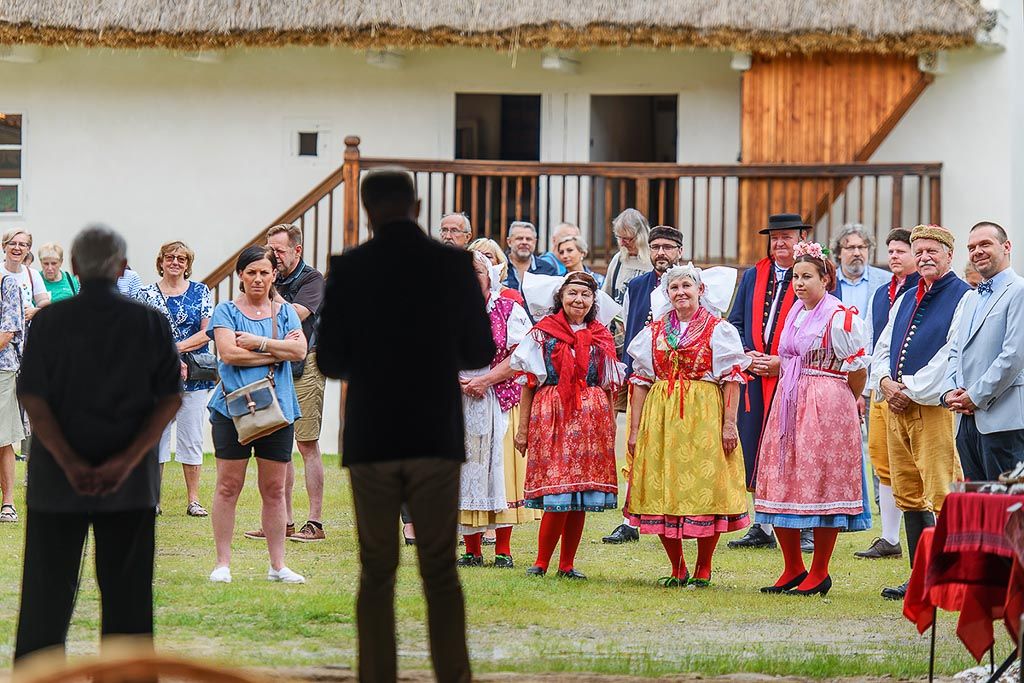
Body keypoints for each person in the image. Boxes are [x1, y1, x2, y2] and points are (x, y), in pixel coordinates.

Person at [317, 168, 492, 683]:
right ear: (415, 208)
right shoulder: (453, 266)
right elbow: (480, 350)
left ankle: (377, 677)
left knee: (376, 573)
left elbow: (328, 360)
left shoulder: (349, 269)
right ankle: (453, 677)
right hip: (434, 432)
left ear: (368, 211)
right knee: (440, 570)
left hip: (372, 432)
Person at [13, 225, 181, 662]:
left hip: (55, 482)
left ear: (72, 268)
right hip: (130, 485)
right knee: (129, 605)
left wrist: (68, 461)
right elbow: (168, 400)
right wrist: (125, 463)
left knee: (44, 601)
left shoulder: (50, 322)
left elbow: (32, 396)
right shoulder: (150, 322)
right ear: (123, 267)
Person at [755, 241, 871, 596]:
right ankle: (792, 566)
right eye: (795, 277)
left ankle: (819, 570)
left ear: (826, 279)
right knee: (782, 477)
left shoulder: (839, 317)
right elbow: (791, 358)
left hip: (826, 403)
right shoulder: (796, 313)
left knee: (821, 482)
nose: (799, 283)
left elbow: (857, 368)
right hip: (789, 401)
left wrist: (842, 401)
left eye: (807, 276)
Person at [624, 264, 750, 586]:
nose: (681, 292)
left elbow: (731, 379)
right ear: (667, 294)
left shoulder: (718, 328)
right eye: (674, 288)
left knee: (705, 487)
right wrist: (635, 429)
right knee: (663, 487)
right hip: (662, 415)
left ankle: (704, 567)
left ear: (700, 291)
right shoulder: (653, 331)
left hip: (703, 414)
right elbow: (640, 381)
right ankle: (677, 566)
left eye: (686, 286)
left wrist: (729, 425)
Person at [871, 224, 970, 601]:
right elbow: (882, 344)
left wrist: (908, 388)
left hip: (933, 409)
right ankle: (920, 577)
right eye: (920, 251)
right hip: (896, 406)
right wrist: (884, 382)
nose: (925, 256)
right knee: (909, 495)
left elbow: (952, 354)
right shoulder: (906, 297)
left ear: (948, 255)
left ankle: (952, 579)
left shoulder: (964, 297)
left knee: (942, 493)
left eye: (933, 250)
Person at [511, 271, 624, 579]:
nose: (579, 300)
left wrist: (609, 425)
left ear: (593, 300)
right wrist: (523, 428)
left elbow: (609, 384)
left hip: (591, 419)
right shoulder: (543, 333)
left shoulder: (601, 335)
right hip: (553, 414)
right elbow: (529, 382)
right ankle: (541, 561)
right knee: (557, 491)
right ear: (561, 297)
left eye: (586, 295)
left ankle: (567, 564)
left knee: (580, 496)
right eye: (573, 293)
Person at [207, 245, 308, 585]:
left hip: (278, 410)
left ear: (274, 275)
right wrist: (276, 354)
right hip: (232, 409)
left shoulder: (285, 313)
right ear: (240, 276)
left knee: (274, 489)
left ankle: (278, 566)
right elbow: (229, 354)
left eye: (264, 272)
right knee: (228, 485)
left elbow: (300, 351)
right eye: (251, 272)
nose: (258, 278)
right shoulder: (225, 311)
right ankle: (223, 563)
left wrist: (257, 343)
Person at [727, 213, 809, 551]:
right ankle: (762, 525)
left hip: (794, 378)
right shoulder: (754, 274)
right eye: (775, 237)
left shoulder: (811, 275)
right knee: (757, 447)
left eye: (787, 237)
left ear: (802, 238)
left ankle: (802, 525)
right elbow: (735, 321)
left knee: (794, 449)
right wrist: (748, 354)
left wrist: (783, 363)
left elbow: (816, 326)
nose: (780, 243)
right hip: (754, 375)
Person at [602, 224, 683, 545]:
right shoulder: (636, 285)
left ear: (680, 250)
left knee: (676, 448)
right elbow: (630, 327)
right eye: (656, 246)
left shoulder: (691, 284)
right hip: (641, 377)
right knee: (635, 446)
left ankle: (676, 514)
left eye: (668, 247)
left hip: (678, 382)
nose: (661, 252)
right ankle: (629, 519)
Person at [455, 251, 533, 568]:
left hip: (499, 398)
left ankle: (503, 550)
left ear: (490, 277)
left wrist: (485, 380)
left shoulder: (508, 309)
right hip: (458, 399)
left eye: (475, 272)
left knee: (500, 474)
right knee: (465, 471)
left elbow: (520, 355)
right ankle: (471, 550)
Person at [135, 241, 214, 518]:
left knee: (191, 436)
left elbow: (208, 332)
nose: (175, 262)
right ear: (161, 261)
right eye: (170, 257)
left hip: (193, 374)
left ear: (188, 263)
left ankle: (193, 500)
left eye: (181, 258)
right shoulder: (145, 293)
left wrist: (176, 350)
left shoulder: (201, 291)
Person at [855, 228, 919, 560]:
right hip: (881, 388)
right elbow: (869, 340)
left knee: (914, 465)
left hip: (913, 392)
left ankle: (921, 536)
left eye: (900, 251)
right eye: (891, 251)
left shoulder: (923, 290)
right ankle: (890, 537)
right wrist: (867, 389)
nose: (894, 256)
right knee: (882, 461)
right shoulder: (881, 293)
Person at [944, 222, 1024, 481]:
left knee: (1010, 511)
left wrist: (975, 396)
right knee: (978, 511)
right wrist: (950, 391)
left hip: (1004, 420)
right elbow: (955, 350)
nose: (977, 251)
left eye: (985, 244)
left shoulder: (1019, 291)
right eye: (971, 247)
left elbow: (1013, 356)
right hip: (965, 424)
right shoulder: (971, 298)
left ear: (1007, 246)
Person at [264, 223, 327, 543]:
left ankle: (314, 523)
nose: (272, 257)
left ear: (296, 250)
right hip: (274, 366)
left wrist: (266, 291)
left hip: (307, 366)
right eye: (270, 250)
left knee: (306, 445)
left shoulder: (312, 279)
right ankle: (282, 521)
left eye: (279, 251)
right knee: (278, 448)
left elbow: (295, 314)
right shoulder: (270, 276)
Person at [0, 271, 24, 522]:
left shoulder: (8, 283)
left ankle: (8, 503)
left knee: (2, 435)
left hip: (2, 368)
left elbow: (8, 331)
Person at [833, 224, 890, 324]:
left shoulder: (886, 280)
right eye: (850, 247)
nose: (857, 253)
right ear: (838, 253)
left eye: (861, 247)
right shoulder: (827, 282)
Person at [601, 209, 652, 303]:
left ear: (641, 236)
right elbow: (605, 296)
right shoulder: (618, 259)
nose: (622, 243)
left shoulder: (654, 261)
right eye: (619, 238)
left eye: (627, 239)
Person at [1, 229, 50, 321]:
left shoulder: (33, 274)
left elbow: (43, 301)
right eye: (12, 243)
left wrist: (36, 311)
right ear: (4, 246)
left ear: (28, 249)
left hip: (27, 331)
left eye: (22, 245)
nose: (17, 248)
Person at [504, 221, 559, 293]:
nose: (524, 242)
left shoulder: (548, 270)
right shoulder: (499, 267)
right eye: (519, 238)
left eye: (528, 239)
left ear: (535, 242)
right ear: (509, 242)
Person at [469, 238, 525, 305]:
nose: (483, 260)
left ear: (498, 262)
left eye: (488, 256)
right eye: (478, 255)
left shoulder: (511, 296)